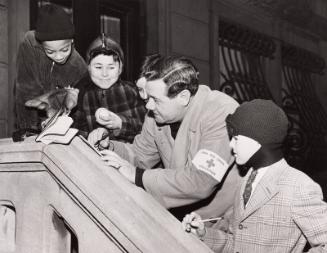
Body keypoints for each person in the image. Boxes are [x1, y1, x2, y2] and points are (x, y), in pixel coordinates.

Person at [88, 55, 242, 219]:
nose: (148, 105)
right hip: (180, 217)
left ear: (183, 97)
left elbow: (201, 180)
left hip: (221, 224)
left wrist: (137, 175)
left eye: (155, 99)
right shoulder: (157, 114)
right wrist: (109, 147)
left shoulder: (221, 112)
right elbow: (141, 156)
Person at [182, 99, 327, 252]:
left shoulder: (298, 186)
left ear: (257, 141)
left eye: (236, 138)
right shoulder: (247, 180)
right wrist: (203, 233)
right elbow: (237, 243)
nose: (231, 144)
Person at [15, 3, 87, 132]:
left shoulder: (79, 67)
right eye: (50, 52)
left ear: (71, 41)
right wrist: (28, 129)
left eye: (64, 50)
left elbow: (79, 110)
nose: (58, 56)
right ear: (41, 45)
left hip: (61, 127)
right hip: (29, 121)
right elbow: (25, 92)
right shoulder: (30, 44)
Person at [72, 34, 146, 143]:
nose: (105, 74)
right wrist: (90, 136)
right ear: (89, 68)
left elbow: (146, 130)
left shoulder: (133, 92)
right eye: (98, 67)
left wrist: (120, 123)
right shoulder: (83, 95)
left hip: (129, 156)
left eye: (111, 67)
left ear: (120, 68)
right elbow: (77, 130)